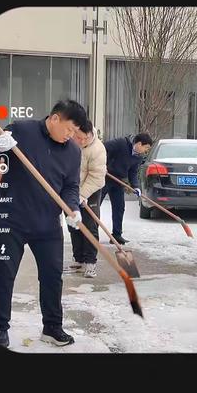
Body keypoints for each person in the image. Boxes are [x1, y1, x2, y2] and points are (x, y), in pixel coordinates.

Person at [0, 99, 87, 348]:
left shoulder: (72, 152)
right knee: (4, 276)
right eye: (69, 129)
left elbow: (71, 186)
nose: (70, 136)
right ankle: (0, 329)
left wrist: (72, 208)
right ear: (55, 118)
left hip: (47, 225)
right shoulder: (22, 130)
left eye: (75, 133)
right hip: (11, 221)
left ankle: (52, 327)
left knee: (52, 277)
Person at [65, 119, 107, 278]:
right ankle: (79, 260)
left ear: (91, 134)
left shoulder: (98, 149)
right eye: (79, 137)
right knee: (73, 224)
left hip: (92, 189)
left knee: (89, 225)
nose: (82, 141)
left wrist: (83, 194)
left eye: (86, 138)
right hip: (70, 189)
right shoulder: (67, 141)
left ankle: (90, 263)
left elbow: (97, 177)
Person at [100, 133, 153, 244]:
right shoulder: (121, 143)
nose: (146, 151)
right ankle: (91, 233)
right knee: (96, 205)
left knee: (119, 207)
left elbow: (132, 172)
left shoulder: (138, 156)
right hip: (104, 177)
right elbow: (101, 149)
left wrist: (136, 187)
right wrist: (102, 165)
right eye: (146, 148)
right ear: (139, 144)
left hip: (118, 180)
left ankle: (117, 235)